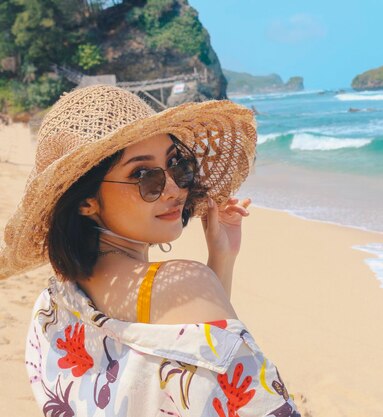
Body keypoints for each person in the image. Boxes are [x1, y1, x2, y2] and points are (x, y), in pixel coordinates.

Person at [0, 85, 300, 416]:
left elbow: (184, 349)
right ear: (86, 201)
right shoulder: (181, 284)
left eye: (177, 164)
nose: (173, 187)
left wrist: (221, 259)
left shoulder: (56, 300)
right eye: (143, 175)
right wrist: (206, 275)